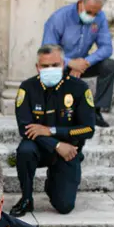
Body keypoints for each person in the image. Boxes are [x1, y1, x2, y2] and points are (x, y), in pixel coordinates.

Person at [10, 45, 96, 217]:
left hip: (68, 151)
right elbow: (25, 129)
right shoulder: (27, 88)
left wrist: (51, 131)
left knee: (64, 206)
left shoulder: (79, 88)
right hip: (40, 148)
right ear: (37, 67)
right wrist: (56, 144)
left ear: (63, 64)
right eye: (45, 66)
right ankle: (26, 199)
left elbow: (88, 129)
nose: (50, 70)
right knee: (25, 150)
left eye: (55, 65)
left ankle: (54, 182)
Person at [42, 0, 114, 128]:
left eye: (95, 13)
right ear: (81, 2)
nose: (92, 16)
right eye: (88, 12)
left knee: (109, 65)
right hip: (60, 65)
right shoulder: (59, 18)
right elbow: (48, 50)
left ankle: (96, 111)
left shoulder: (100, 17)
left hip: (82, 65)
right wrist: (70, 62)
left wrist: (86, 62)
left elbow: (107, 47)